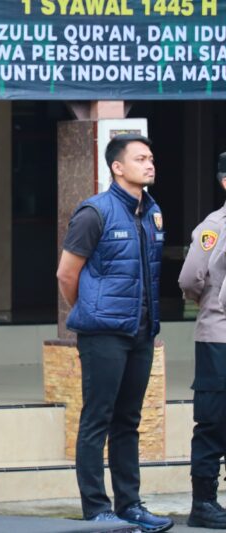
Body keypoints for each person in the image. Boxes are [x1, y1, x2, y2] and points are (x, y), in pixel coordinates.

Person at [56, 134, 173, 532]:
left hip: (141, 333)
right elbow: (66, 273)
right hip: (103, 333)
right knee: (97, 419)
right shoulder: (94, 212)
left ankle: (130, 505)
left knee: (129, 420)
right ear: (117, 167)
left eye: (152, 157)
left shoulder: (153, 212)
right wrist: (89, 311)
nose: (150, 164)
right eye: (141, 158)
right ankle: (96, 508)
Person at [178, 152, 226, 529]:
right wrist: (213, 302)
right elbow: (190, 277)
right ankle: (204, 503)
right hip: (219, 338)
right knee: (212, 420)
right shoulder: (214, 225)